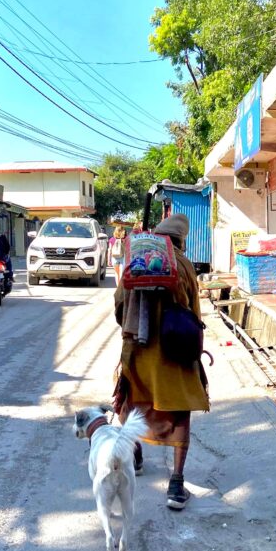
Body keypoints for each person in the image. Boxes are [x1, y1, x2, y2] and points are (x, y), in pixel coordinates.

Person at [113, 213, 209, 510]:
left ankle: (137, 454)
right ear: (181, 240)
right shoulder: (184, 265)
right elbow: (193, 309)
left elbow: (118, 304)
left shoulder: (135, 260)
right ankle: (177, 486)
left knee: (130, 402)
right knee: (179, 413)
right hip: (174, 353)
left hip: (138, 351)